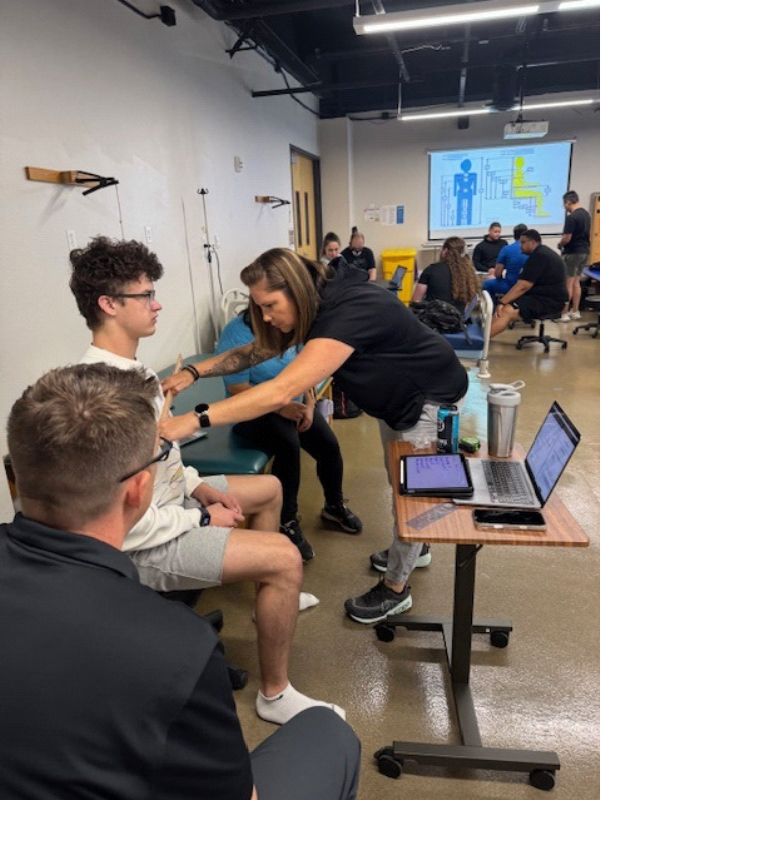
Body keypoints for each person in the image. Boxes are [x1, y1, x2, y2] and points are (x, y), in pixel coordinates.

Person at [0, 363, 361, 799]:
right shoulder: (179, 649)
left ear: (16, 476)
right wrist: (202, 514)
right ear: (138, 491)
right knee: (332, 736)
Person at [69, 236, 344, 725]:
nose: (158, 305)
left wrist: (197, 486)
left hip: (173, 504)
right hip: (147, 543)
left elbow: (164, 460)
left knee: (271, 489)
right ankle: (275, 695)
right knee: (284, 559)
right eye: (145, 296)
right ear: (109, 305)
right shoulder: (103, 393)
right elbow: (123, 523)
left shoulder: (140, 374)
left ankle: (270, 604)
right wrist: (200, 514)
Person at [159, 248, 470, 626]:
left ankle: (396, 590)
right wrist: (193, 372)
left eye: (271, 305)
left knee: (412, 498)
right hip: (398, 401)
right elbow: (257, 350)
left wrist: (193, 420)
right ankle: (412, 551)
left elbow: (278, 391)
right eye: (260, 308)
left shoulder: (347, 311)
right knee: (400, 484)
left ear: (296, 289)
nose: (267, 317)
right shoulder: (318, 303)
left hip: (428, 400)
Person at [216, 306, 363, 562]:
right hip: (251, 409)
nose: (273, 318)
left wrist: (308, 406)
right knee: (288, 444)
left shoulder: (292, 324)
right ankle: (286, 521)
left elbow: (306, 370)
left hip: (293, 404)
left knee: (328, 446)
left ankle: (333, 505)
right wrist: (281, 408)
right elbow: (237, 387)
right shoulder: (236, 334)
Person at [490, 229, 569, 338]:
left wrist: (502, 302)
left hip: (550, 302)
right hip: (546, 297)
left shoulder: (540, 256)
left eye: (523, 243)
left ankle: (481, 342)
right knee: (507, 306)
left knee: (505, 311)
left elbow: (523, 286)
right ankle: (483, 337)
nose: (520, 246)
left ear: (532, 242)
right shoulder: (542, 253)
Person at [412, 236, 480, 314]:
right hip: (457, 321)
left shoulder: (431, 270)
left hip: (433, 320)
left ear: (445, 251)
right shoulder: (468, 272)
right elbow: (470, 302)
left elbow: (416, 301)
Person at [556, 190, 591, 322]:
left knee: (568, 283)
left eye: (564, 204)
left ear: (568, 202)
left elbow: (567, 238)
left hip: (573, 252)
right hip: (584, 252)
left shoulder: (572, 217)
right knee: (577, 282)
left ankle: (563, 314)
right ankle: (575, 311)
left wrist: (560, 244)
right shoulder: (586, 214)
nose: (564, 207)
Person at [480, 223, 529, 305]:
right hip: (529, 287)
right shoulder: (533, 249)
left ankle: (494, 309)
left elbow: (498, 274)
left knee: (487, 284)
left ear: (514, 236)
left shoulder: (506, 249)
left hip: (511, 286)